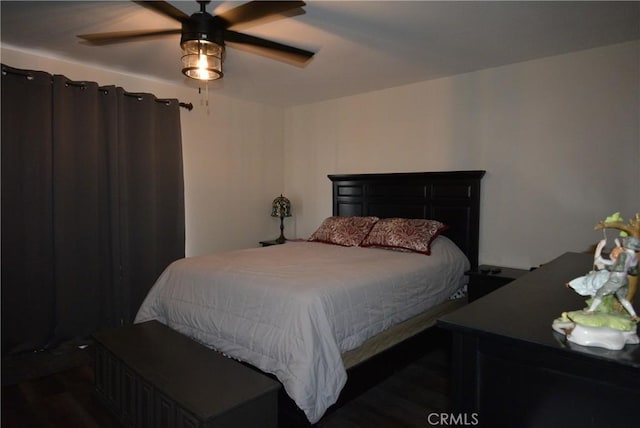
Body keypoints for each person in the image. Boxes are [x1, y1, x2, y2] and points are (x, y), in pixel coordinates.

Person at [587, 236, 640, 320]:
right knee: (622, 299)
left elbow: (618, 267)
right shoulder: (635, 258)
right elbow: (634, 271)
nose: (623, 241)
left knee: (600, 292)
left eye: (625, 240)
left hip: (616, 279)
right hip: (624, 280)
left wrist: (604, 266)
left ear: (630, 244)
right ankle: (633, 315)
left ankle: (591, 310)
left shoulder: (624, 255)